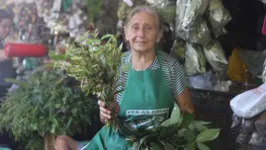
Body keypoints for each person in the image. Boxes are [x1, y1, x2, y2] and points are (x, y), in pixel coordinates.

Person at [55, 5, 194, 150]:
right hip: (117, 143)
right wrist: (106, 113)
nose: (141, 33)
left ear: (159, 35)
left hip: (157, 144)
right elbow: (106, 119)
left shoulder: (170, 66)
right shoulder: (115, 67)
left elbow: (187, 111)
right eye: (135, 27)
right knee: (60, 143)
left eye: (148, 28)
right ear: (126, 33)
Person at [0, 9, 15, 147]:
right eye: (4, 26)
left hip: (4, 89)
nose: (7, 29)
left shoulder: (2, 42)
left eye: (9, 26)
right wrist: (15, 50)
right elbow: (3, 55)